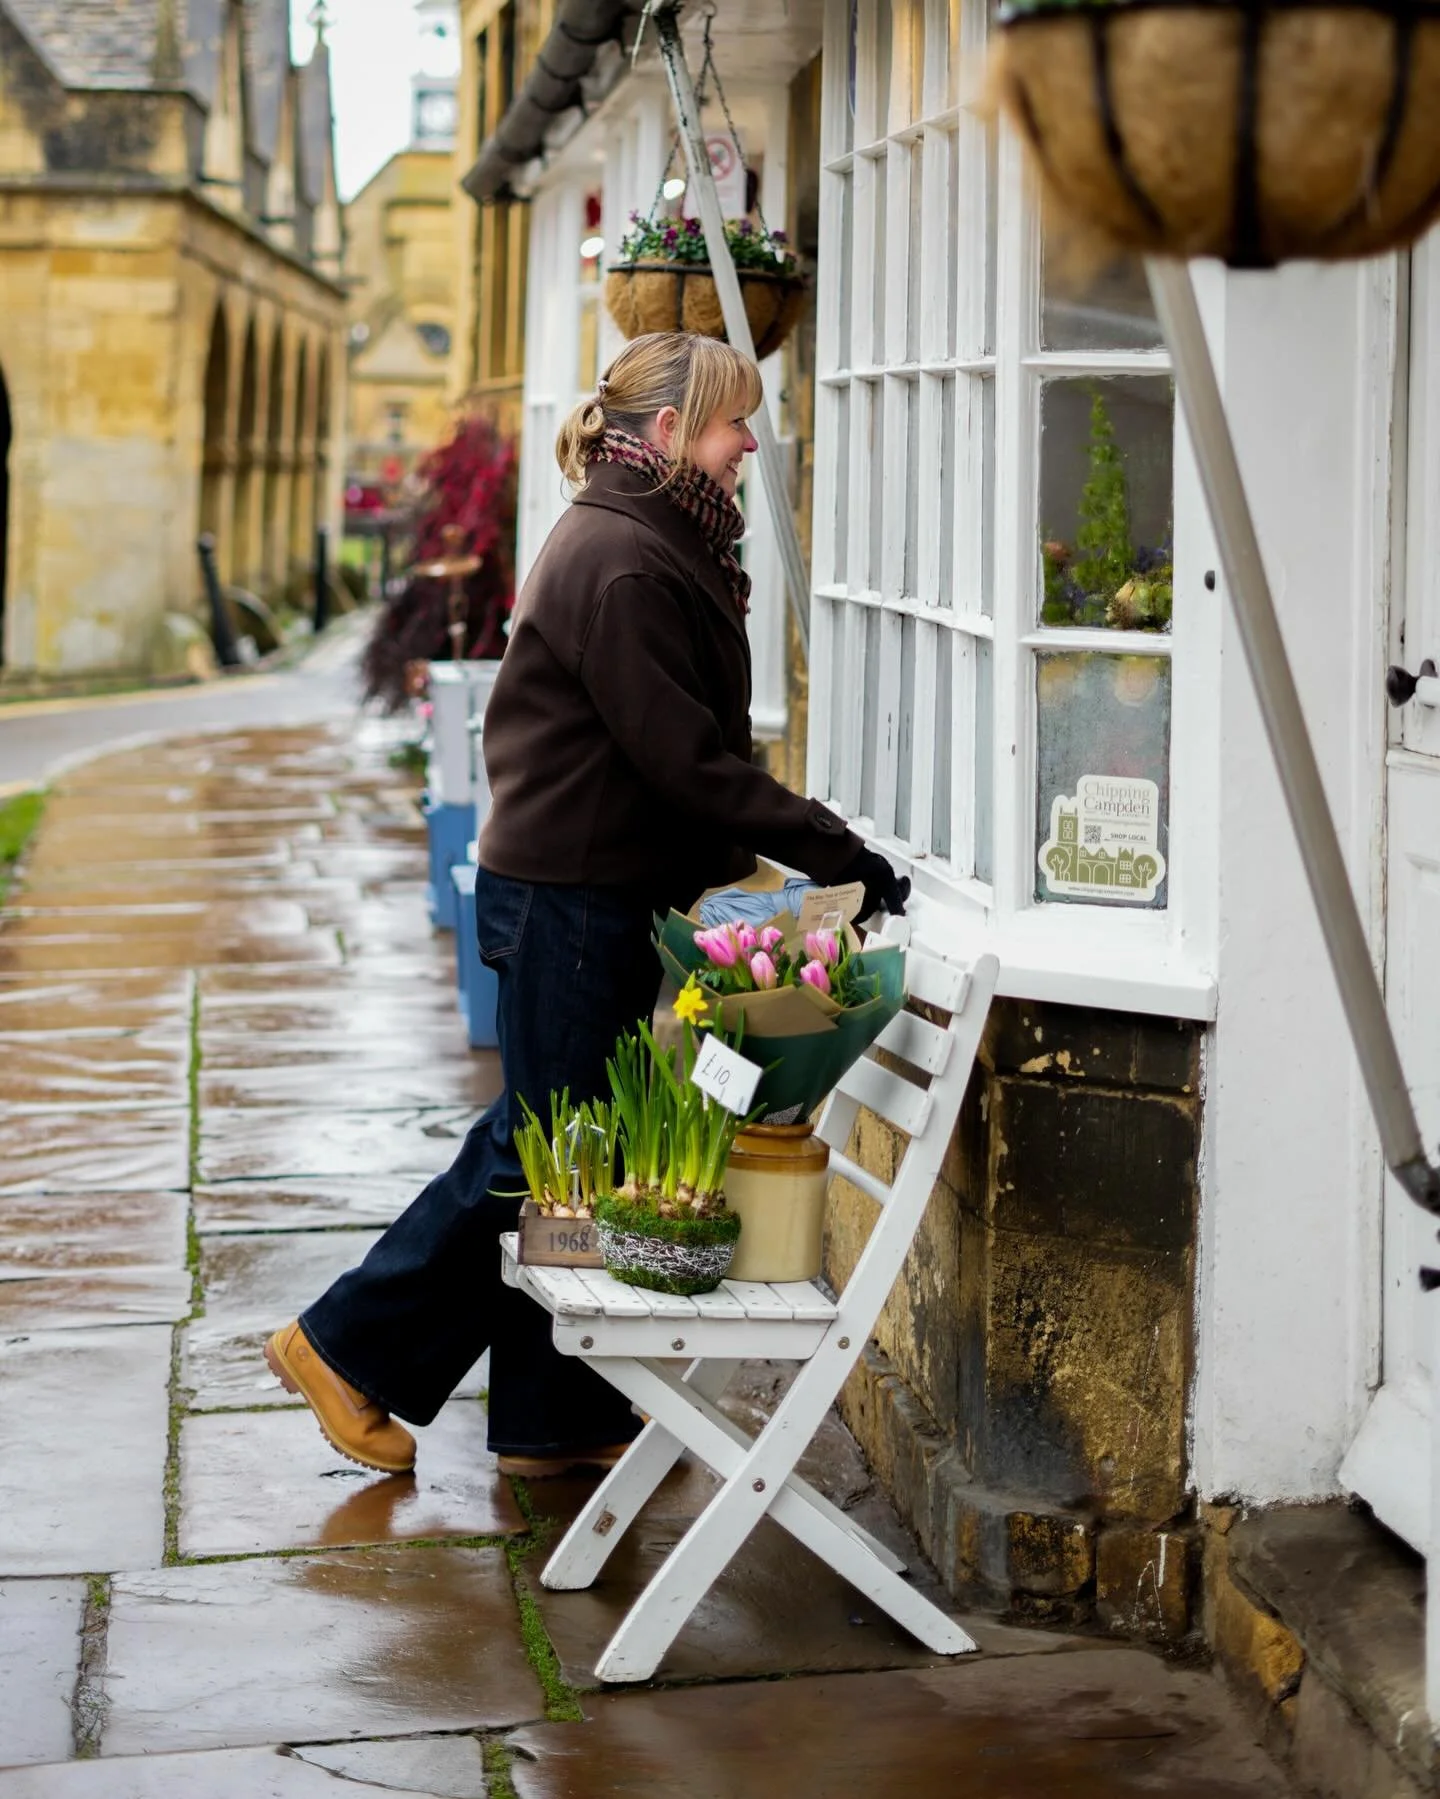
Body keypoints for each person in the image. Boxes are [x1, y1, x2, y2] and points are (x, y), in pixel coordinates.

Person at [265, 331, 909, 1479]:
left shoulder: (647, 536)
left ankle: (552, 1419)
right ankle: (345, 1347)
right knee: (544, 1144)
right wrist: (836, 850)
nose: (747, 442)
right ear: (667, 431)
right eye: (731, 421)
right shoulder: (624, 559)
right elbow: (688, 763)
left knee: (575, 1146)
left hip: (586, 888)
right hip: (570, 898)